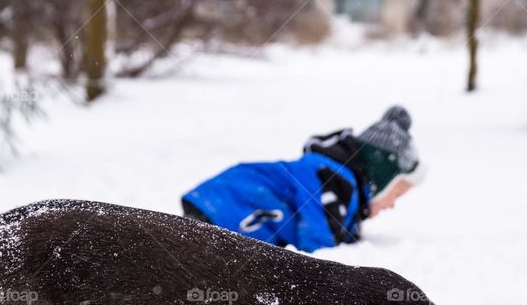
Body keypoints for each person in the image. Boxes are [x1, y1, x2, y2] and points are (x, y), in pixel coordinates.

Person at [181, 106, 425, 252]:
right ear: (380, 181)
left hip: (218, 201)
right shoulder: (330, 180)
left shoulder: (338, 181)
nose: (392, 205)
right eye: (396, 194)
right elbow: (319, 247)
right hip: (228, 208)